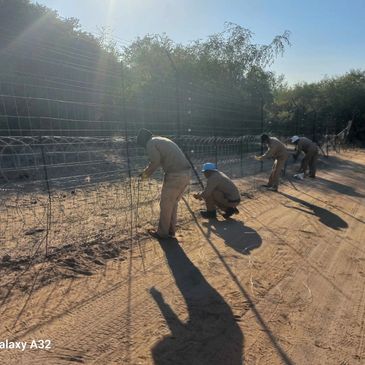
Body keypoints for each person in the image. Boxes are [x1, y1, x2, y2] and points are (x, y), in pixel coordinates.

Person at [137, 129, 191, 239]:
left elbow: (155, 161)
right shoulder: (160, 139)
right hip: (186, 173)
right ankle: (171, 230)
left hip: (175, 175)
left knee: (166, 204)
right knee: (173, 203)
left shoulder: (150, 143)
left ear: (143, 141)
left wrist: (144, 175)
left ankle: (162, 233)